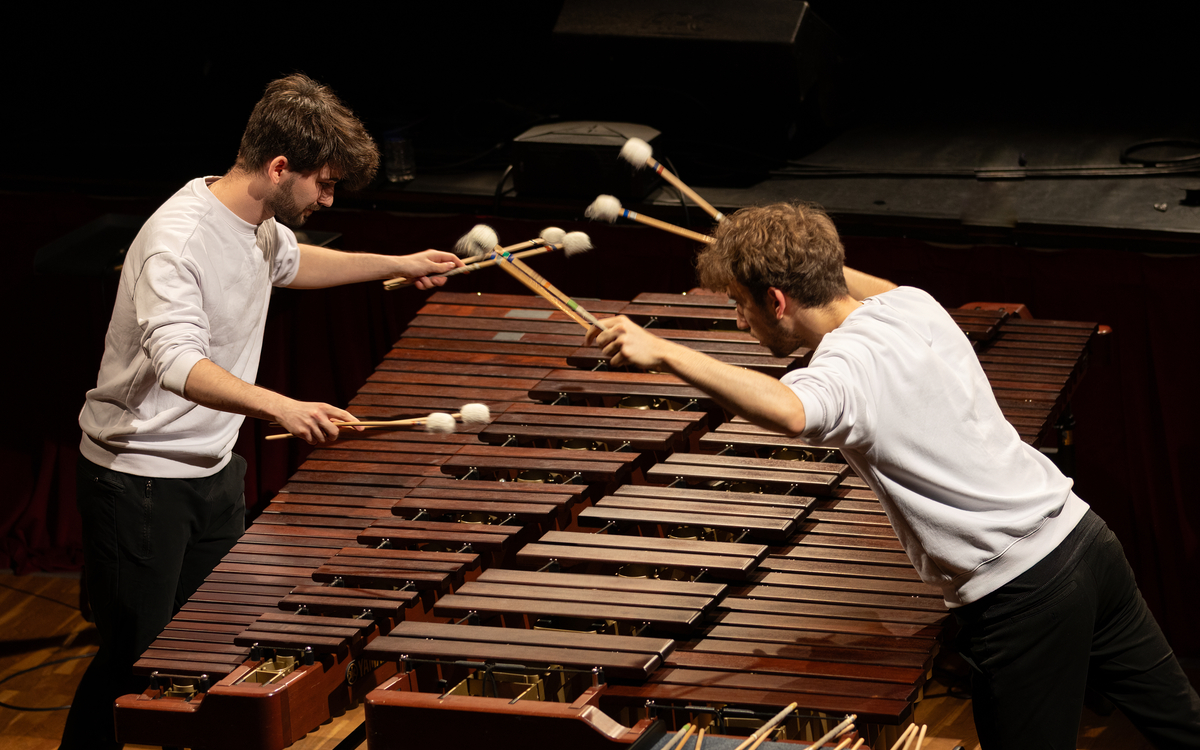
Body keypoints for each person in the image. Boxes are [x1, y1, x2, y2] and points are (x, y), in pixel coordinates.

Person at [589, 202, 1200, 750]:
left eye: (741, 306)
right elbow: (831, 276)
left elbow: (791, 410)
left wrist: (664, 351)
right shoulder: (912, 305)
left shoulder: (847, 369)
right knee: (1183, 724)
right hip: (1086, 541)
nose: (741, 323)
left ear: (777, 299)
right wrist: (771, 245)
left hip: (1022, 595)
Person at [63, 73, 462, 749]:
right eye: (324, 184)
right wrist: (282, 404)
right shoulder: (178, 241)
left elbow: (290, 263)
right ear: (280, 166)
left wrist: (398, 261)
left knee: (208, 653)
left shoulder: (257, 225)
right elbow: (178, 365)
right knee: (135, 665)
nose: (328, 198)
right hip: (138, 479)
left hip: (213, 470)